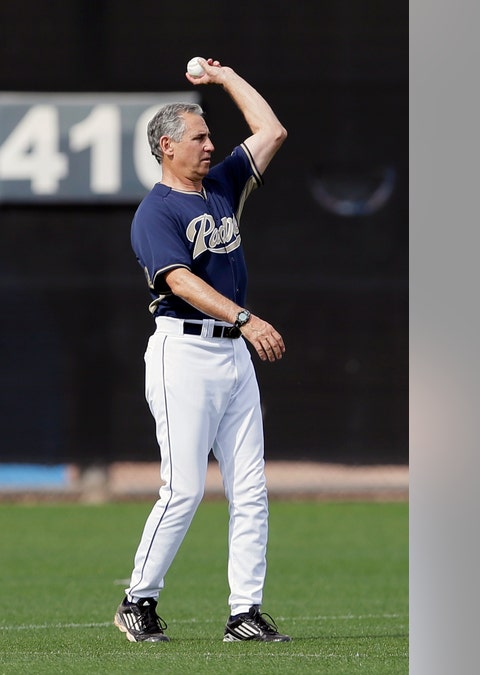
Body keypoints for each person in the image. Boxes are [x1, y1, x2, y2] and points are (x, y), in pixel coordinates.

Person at [113, 57, 291, 644]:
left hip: (232, 357)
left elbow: (271, 131)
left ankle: (245, 612)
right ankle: (137, 601)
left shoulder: (219, 187)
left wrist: (224, 77)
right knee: (184, 488)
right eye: (200, 137)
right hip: (182, 353)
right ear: (167, 147)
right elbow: (181, 281)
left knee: (251, 488)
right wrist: (244, 317)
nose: (212, 145)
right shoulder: (156, 212)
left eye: (211, 135)